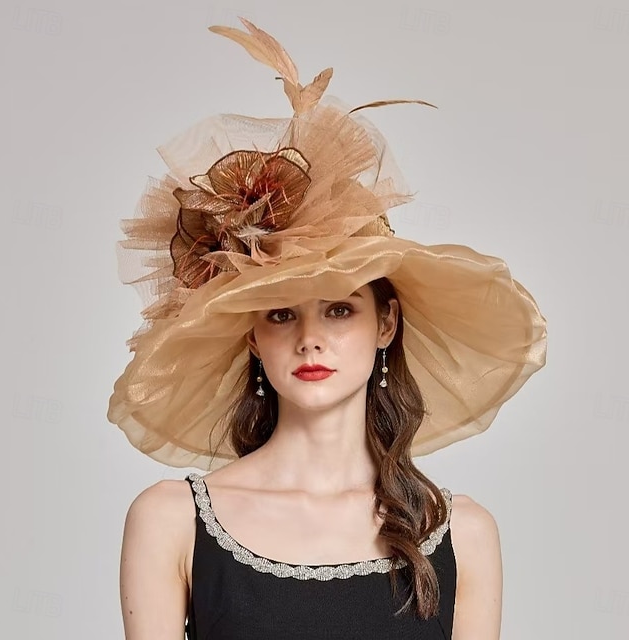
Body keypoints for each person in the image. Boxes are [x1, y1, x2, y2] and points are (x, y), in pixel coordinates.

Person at [107, 18, 547, 640]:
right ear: (253, 337)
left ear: (386, 323)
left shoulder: (461, 532)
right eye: (280, 313)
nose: (309, 338)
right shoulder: (171, 519)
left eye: (340, 309)